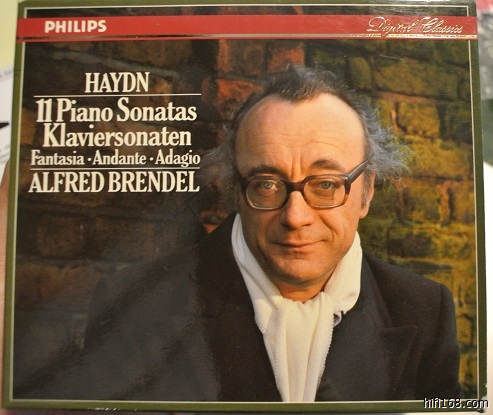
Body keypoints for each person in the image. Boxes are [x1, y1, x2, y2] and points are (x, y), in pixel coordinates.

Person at [16, 65, 462, 402]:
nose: (296, 217)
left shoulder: (424, 308)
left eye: (326, 185)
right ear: (236, 190)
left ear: (365, 193)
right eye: (267, 184)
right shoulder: (135, 302)